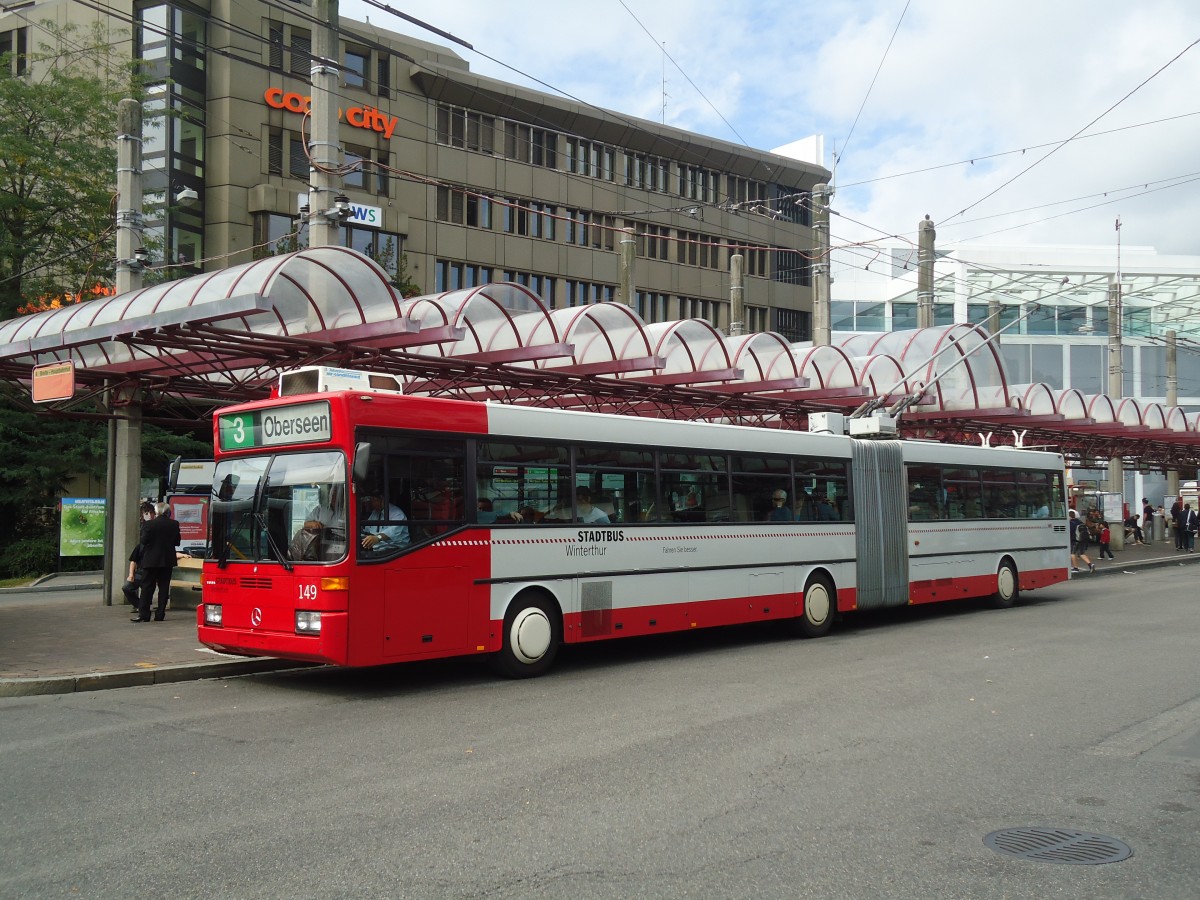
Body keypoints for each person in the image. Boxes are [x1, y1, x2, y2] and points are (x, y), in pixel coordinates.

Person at [132, 502, 182, 622]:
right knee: (164, 587)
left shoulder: (149, 524)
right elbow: (177, 542)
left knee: (147, 587)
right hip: (167, 560)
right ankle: (160, 614)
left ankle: (144, 614)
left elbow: (143, 541)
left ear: (157, 512)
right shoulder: (174, 524)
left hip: (151, 560)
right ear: (167, 512)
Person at [122, 501, 156, 608]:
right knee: (127, 587)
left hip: (149, 571)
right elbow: (134, 560)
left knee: (147, 588)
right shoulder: (140, 546)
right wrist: (131, 575)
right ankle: (139, 605)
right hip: (140, 572)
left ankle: (142, 606)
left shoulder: (153, 545)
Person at [1068, 509, 1095, 574]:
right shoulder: (1080, 522)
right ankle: (1090, 565)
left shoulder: (1071, 523)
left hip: (1075, 540)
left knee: (1072, 553)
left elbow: (1070, 532)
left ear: (1070, 516)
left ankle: (1075, 568)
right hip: (1082, 540)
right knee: (1081, 553)